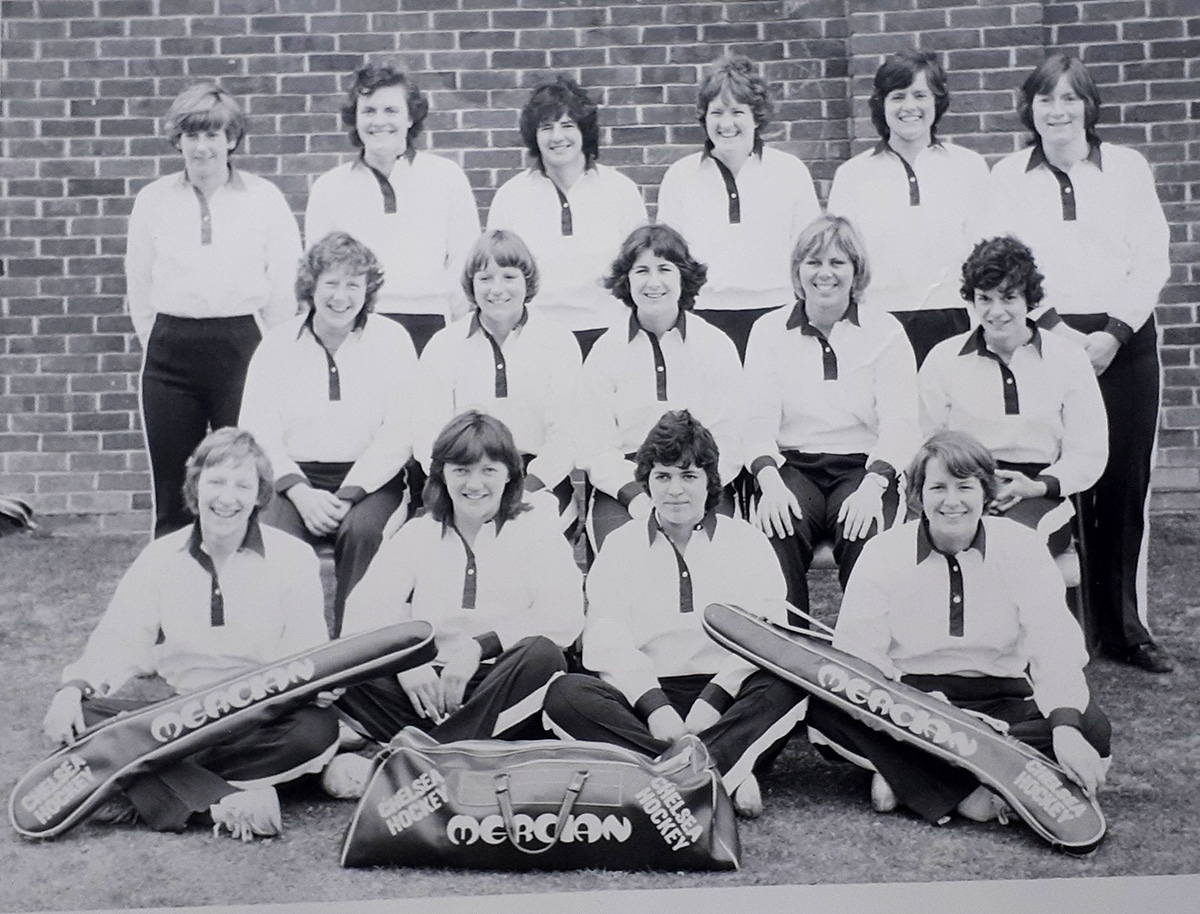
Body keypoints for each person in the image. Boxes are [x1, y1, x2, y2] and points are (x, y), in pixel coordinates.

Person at [41, 428, 339, 839]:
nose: (226, 498)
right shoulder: (161, 557)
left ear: (259, 496)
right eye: (215, 482)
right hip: (183, 717)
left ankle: (132, 779)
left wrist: (312, 687)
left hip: (263, 714)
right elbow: (121, 636)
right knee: (83, 720)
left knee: (316, 731)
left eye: (242, 485)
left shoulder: (293, 557)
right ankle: (227, 805)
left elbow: (305, 651)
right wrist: (73, 688)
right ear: (196, 485)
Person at [805, 431, 1111, 826]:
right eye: (938, 487)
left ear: (985, 492)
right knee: (825, 713)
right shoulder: (883, 552)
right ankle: (972, 790)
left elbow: (1054, 644)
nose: (952, 501)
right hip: (909, 700)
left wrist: (1067, 731)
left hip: (1004, 699)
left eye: (965, 487)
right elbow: (858, 656)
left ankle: (909, 774)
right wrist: (919, 711)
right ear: (918, 495)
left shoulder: (1022, 547)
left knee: (1090, 727)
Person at [990, 54, 1173, 673]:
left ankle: (1125, 629)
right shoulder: (1009, 173)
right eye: (1046, 100)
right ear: (1030, 110)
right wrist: (1054, 327)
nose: (1058, 111)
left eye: (1069, 99)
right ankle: (1061, 628)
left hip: (1124, 342)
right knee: (1060, 473)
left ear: (1088, 106)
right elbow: (1004, 260)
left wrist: (1115, 333)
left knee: (1123, 483)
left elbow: (1151, 260)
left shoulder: (1127, 167)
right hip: (1048, 335)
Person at [544, 411, 807, 819]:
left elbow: (764, 635)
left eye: (688, 477)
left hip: (727, 698)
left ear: (709, 481)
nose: (675, 491)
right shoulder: (621, 545)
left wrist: (716, 698)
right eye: (662, 477)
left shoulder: (747, 542)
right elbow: (606, 639)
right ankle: (725, 771)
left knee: (788, 683)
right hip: (644, 699)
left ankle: (666, 774)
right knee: (565, 695)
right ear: (647, 482)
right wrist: (654, 706)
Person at [324, 411, 584, 797]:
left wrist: (479, 647)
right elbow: (361, 616)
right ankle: (462, 756)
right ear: (441, 474)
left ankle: (415, 763)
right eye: (461, 470)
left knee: (544, 655)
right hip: (425, 690)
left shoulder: (537, 530)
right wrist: (408, 661)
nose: (474, 484)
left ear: (511, 474)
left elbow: (564, 618)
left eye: (488, 471)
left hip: (502, 682)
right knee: (348, 670)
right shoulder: (419, 533)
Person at [126, 83, 302, 538]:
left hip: (240, 348)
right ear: (178, 140)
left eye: (213, 135)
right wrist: (161, 341)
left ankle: (243, 589)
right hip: (170, 354)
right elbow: (140, 285)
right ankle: (173, 595)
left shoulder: (264, 198)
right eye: (191, 135)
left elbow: (285, 286)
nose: (202, 146)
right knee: (174, 487)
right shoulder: (153, 200)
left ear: (231, 140)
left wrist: (276, 358)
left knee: (241, 480)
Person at [238, 232, 419, 636]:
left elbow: (401, 430)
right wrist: (300, 492)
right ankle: (287, 660)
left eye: (353, 284)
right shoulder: (277, 344)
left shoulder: (393, 341)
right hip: (292, 481)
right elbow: (258, 429)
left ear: (368, 290)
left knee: (363, 532)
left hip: (372, 483)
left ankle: (351, 657)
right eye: (331, 284)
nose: (341, 297)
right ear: (312, 287)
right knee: (273, 540)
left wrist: (350, 493)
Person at [743, 215, 920, 616]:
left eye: (838, 262)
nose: (825, 273)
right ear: (797, 271)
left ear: (856, 271)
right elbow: (755, 421)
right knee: (777, 527)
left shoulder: (886, 332)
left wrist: (874, 486)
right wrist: (770, 483)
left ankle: (865, 659)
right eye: (814, 262)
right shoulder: (767, 331)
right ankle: (789, 659)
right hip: (792, 467)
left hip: (864, 468)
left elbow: (901, 424)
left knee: (868, 533)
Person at [920, 235, 1107, 555]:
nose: (996, 312)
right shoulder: (943, 358)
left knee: (1009, 547)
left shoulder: (1068, 358)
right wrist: (963, 488)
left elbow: (1089, 451)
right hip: (962, 486)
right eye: (985, 299)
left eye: (1008, 298)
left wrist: (1040, 485)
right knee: (938, 548)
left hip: (1037, 491)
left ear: (1028, 299)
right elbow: (925, 440)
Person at [573, 224, 746, 551]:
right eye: (642, 271)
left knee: (708, 560)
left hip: (699, 479)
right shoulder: (606, 350)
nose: (654, 282)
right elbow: (594, 444)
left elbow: (731, 436)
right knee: (627, 556)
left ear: (683, 277)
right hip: (627, 486)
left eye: (664, 269)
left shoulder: (715, 345)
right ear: (627, 280)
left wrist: (693, 489)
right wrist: (636, 497)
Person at [826, 50, 990, 366]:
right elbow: (843, 258)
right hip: (877, 319)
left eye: (920, 95)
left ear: (936, 102)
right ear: (882, 105)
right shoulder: (853, 174)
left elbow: (984, 253)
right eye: (898, 97)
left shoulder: (969, 166)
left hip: (954, 318)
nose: (909, 107)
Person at [304, 63, 481, 355]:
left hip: (431, 326)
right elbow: (317, 274)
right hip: (358, 326)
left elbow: (466, 260)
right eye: (369, 111)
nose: (379, 121)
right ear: (355, 118)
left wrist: (454, 333)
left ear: (410, 117)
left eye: (390, 111)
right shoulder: (329, 187)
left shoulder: (446, 176)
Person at [656, 53, 821, 361]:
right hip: (704, 316)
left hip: (778, 313)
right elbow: (670, 262)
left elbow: (810, 253)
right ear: (704, 117)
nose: (726, 123)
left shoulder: (790, 172)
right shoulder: (680, 176)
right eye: (717, 112)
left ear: (756, 116)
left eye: (737, 111)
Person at [417, 230, 582, 535]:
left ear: (527, 281)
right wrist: (465, 480)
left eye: (508, 276)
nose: (497, 290)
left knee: (529, 537)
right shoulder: (444, 344)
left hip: (536, 477)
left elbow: (567, 434)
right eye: (485, 278)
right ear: (471, 284)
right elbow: (426, 432)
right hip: (465, 477)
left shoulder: (558, 342)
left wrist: (529, 485)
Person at [486, 75, 648, 358]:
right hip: (535, 339)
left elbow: (640, 269)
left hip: (610, 335)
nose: (557, 137)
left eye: (567, 125)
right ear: (534, 136)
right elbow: (496, 274)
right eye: (546, 127)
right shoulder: (511, 196)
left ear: (584, 131)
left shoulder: (621, 191)